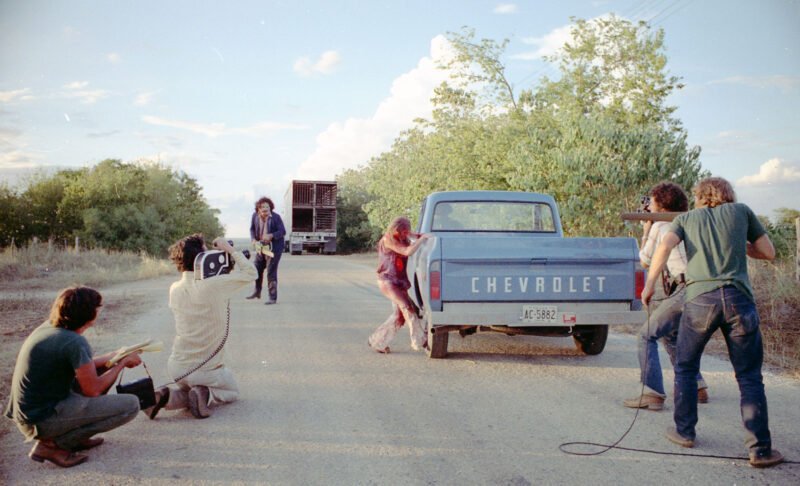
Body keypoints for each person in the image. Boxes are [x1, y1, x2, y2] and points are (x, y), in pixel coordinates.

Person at [642, 177, 783, 468]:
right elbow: (769, 252)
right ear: (728, 195)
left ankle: (684, 432)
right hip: (738, 300)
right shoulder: (742, 211)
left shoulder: (686, 219)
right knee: (749, 377)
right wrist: (739, 246)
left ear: (698, 196)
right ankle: (760, 449)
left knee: (685, 366)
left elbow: (664, 248)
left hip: (700, 300)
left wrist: (649, 285)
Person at [4, 286, 143, 468]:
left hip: (31, 414)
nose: (98, 313)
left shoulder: (49, 328)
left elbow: (82, 365)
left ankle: (77, 437)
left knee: (100, 371)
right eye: (96, 309)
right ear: (86, 315)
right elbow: (93, 390)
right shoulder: (75, 341)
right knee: (131, 405)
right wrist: (122, 363)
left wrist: (114, 355)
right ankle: (55, 445)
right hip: (41, 420)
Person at [151, 234, 257, 419]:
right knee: (232, 392)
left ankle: (167, 397)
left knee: (188, 386)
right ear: (201, 258)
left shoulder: (174, 288)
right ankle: (205, 394)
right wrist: (230, 250)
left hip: (176, 368)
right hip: (205, 371)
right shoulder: (213, 286)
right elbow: (251, 273)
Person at [624, 182, 709, 410]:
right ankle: (697, 385)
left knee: (646, 335)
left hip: (685, 287)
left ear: (661, 205)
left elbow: (645, 261)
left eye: (651, 203)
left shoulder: (660, 226)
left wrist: (645, 232)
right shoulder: (691, 221)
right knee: (670, 334)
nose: (648, 208)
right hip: (703, 287)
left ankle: (652, 392)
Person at [368, 216, 429, 353]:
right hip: (387, 281)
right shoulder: (388, 239)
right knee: (407, 307)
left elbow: (415, 237)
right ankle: (420, 340)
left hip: (399, 281)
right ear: (396, 230)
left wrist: (421, 236)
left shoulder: (403, 237)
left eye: (406, 232)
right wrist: (421, 239)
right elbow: (407, 251)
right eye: (403, 232)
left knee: (399, 317)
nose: (405, 234)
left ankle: (377, 342)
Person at [247, 196, 286, 305]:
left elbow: (282, 231)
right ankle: (257, 291)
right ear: (258, 209)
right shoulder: (254, 216)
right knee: (256, 269)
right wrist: (253, 239)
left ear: (270, 208)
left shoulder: (276, 217)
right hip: (261, 247)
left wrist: (272, 235)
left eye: (267, 206)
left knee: (271, 272)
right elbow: (252, 229)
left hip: (274, 249)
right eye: (262, 207)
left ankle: (272, 297)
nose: (265, 209)